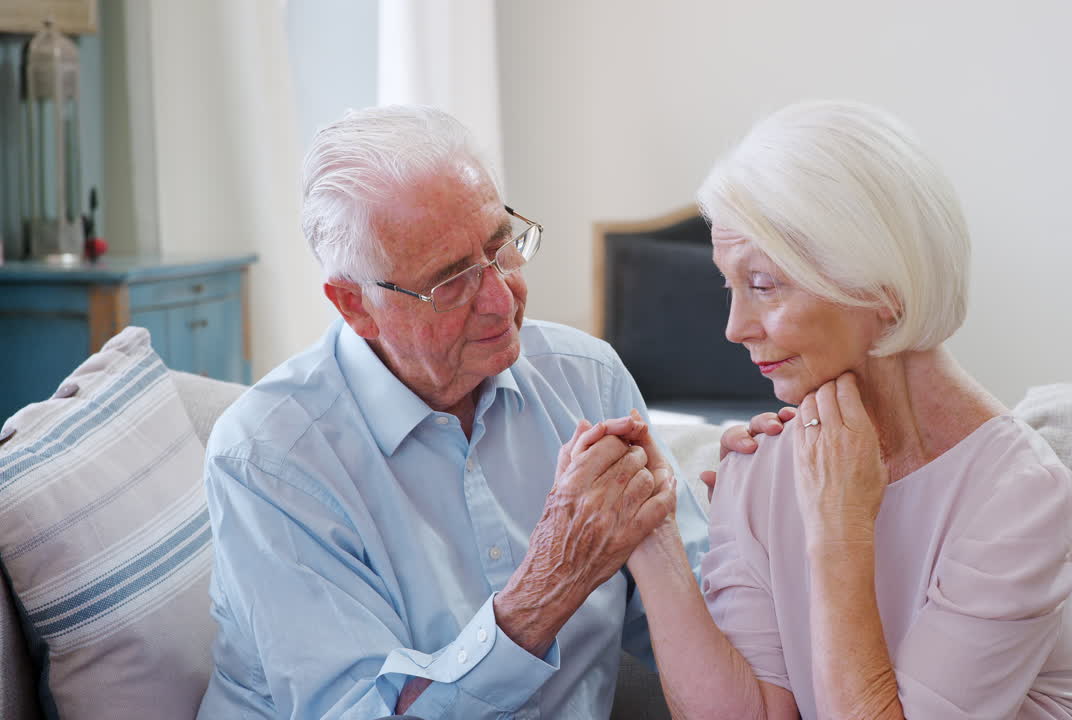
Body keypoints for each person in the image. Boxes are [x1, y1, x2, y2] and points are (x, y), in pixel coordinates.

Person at [196, 104, 766, 719]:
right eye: (452, 282)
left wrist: (768, 530)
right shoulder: (268, 457)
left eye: (502, 249)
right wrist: (550, 584)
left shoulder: (586, 376)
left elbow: (701, 627)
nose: (501, 298)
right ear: (354, 305)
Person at [621, 101, 1072, 719]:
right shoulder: (761, 463)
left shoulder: (1020, 493)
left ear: (880, 291)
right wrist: (651, 537)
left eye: (763, 284)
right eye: (729, 286)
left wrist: (837, 529)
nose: (734, 328)